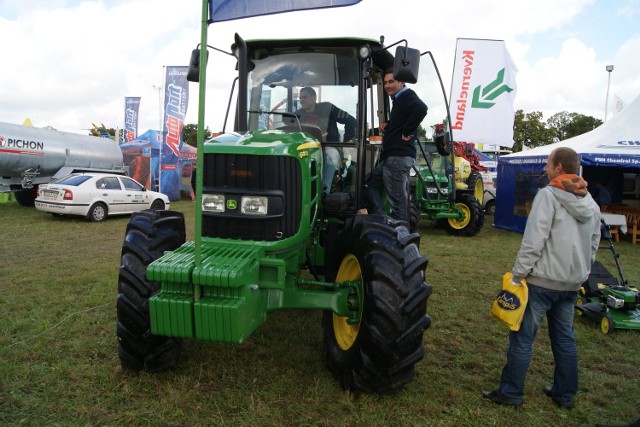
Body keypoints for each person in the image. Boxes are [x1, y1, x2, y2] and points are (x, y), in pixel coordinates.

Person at [482, 147, 601, 409]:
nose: (545, 169)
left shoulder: (548, 196)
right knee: (565, 339)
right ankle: (564, 394)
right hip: (571, 284)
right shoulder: (590, 201)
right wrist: (581, 272)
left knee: (522, 338)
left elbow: (533, 241)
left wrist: (517, 275)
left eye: (548, 164)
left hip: (541, 282)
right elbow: (594, 243)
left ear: (559, 167)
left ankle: (511, 393)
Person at [364, 69, 427, 221]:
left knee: (398, 203)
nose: (387, 85)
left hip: (397, 157)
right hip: (392, 157)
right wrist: (389, 125)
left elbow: (421, 108)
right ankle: (381, 218)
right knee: (370, 184)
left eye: (391, 81)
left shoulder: (407, 96)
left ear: (401, 82)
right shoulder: (399, 100)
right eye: (385, 82)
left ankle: (400, 235)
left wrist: (407, 131)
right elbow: (401, 120)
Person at [295, 86, 356, 194]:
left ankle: (324, 192)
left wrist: (346, 142)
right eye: (300, 98)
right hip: (305, 148)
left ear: (314, 98)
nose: (302, 100)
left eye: (305, 97)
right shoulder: (297, 115)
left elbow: (351, 121)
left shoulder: (328, 108)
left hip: (327, 147)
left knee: (330, 158)